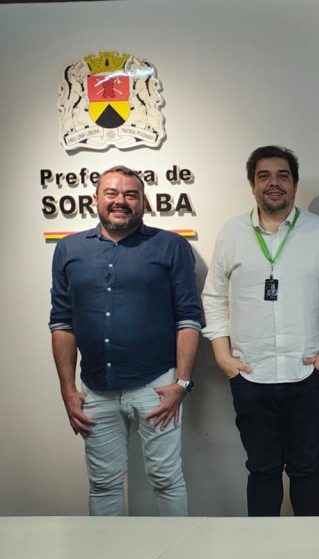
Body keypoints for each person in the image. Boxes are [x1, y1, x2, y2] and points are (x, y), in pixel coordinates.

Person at [49, 165, 202, 516]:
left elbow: (189, 318)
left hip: (156, 386)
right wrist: (67, 389)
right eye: (112, 193)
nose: (121, 200)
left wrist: (181, 383)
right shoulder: (69, 249)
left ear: (143, 202)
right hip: (95, 389)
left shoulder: (171, 246)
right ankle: (108, 552)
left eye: (131, 194)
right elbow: (62, 322)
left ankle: (179, 550)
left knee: (166, 478)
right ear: (95, 199)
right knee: (103, 484)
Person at [202, 145, 319, 517]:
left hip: (308, 374)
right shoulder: (232, 233)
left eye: (283, 175)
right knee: (262, 471)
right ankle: (260, 550)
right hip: (251, 373)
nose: (274, 183)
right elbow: (214, 296)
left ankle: (310, 548)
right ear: (252, 185)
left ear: (295, 183)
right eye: (263, 176)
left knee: (307, 469)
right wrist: (222, 356)